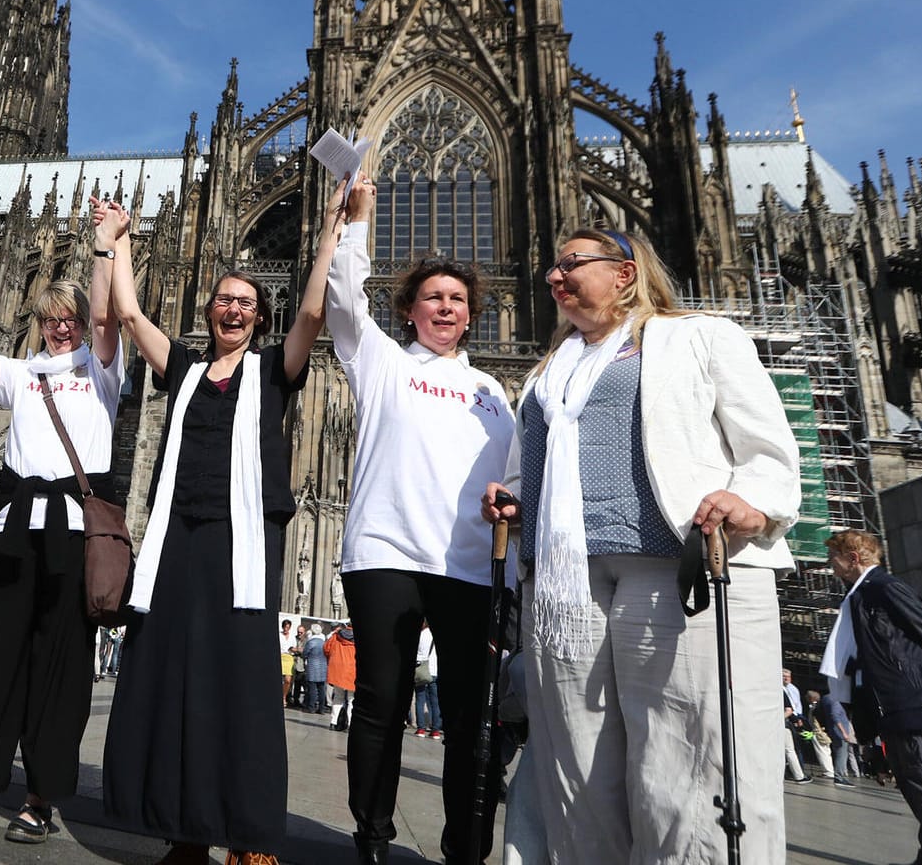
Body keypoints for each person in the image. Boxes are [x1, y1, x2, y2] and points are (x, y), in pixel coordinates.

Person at [483, 227, 801, 865]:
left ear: (625, 274)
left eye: (571, 263)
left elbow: (768, 451)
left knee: (688, 760)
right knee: (577, 766)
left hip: (678, 569)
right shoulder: (551, 371)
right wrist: (514, 500)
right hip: (568, 585)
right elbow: (533, 468)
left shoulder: (700, 337)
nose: (553, 275)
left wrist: (754, 502)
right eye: (552, 265)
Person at [101, 182, 341, 865]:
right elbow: (127, 311)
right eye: (223, 300)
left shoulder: (273, 371)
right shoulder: (184, 367)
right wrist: (117, 238)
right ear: (207, 312)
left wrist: (329, 230)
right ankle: (186, 830)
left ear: (259, 317)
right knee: (175, 675)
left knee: (241, 682)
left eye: (246, 302)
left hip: (243, 542)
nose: (232, 309)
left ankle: (247, 836)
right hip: (179, 538)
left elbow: (315, 310)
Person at [324, 171, 516, 864]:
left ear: (472, 315)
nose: (446, 307)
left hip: (467, 564)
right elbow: (342, 298)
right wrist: (357, 218)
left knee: (472, 718)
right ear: (408, 310)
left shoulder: (493, 392)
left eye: (458, 299)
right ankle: (371, 839)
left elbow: (517, 481)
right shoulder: (379, 361)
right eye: (433, 297)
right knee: (380, 702)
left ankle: (465, 850)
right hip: (385, 553)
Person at [0, 258, 122, 845]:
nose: (61, 328)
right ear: (37, 323)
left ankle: (40, 797)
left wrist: (104, 248)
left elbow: (108, 315)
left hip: (74, 535)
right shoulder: (19, 372)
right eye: (50, 319)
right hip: (13, 532)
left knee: (60, 669)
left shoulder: (103, 368)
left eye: (70, 319)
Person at [822, 530, 922, 864]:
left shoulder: (884, 588)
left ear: (853, 558)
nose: (829, 564)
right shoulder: (859, 597)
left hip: (913, 705)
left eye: (833, 557)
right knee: (918, 791)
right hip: (894, 709)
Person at [809, 687, 858, 784]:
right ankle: (839, 776)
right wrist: (844, 732)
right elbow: (835, 716)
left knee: (839, 753)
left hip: (833, 730)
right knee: (842, 753)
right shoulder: (834, 700)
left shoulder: (826, 699)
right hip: (839, 732)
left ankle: (840, 775)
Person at [412, 625, 442, 741]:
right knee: (435, 702)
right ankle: (435, 730)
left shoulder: (422, 634)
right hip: (434, 671)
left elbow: (417, 652)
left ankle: (421, 728)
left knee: (420, 700)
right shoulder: (438, 634)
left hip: (422, 671)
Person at [326, 620, 357, 732]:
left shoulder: (336, 636)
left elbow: (326, 649)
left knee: (338, 697)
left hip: (337, 670)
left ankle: (333, 722)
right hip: (352, 671)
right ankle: (349, 724)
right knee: (351, 700)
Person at [303, 624, 329, 714]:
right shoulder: (324, 642)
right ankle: (321, 708)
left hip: (313, 667)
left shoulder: (311, 642)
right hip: (323, 667)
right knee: (322, 689)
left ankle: (311, 707)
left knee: (312, 689)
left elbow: (305, 653)